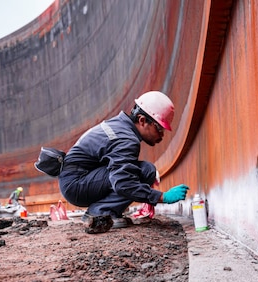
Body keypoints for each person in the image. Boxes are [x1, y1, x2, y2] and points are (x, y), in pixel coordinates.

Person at [58, 91, 189, 233]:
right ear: (142, 120)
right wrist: (162, 197)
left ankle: (107, 210)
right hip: (76, 184)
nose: (161, 135)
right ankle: (100, 213)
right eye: (159, 129)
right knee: (144, 171)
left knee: (144, 170)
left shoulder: (120, 126)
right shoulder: (126, 139)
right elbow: (123, 183)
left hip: (78, 179)